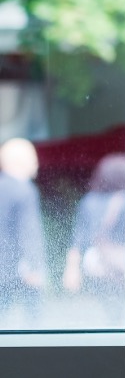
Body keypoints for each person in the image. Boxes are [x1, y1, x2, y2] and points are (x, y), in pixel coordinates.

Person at [61, 153, 125, 325]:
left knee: (107, 304)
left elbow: (78, 239)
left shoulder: (88, 201)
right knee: (124, 302)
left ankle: (112, 324)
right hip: (123, 262)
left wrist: (72, 269)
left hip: (96, 263)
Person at [0, 137, 47, 324]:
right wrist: (34, 267)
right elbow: (29, 232)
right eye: (33, 158)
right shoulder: (25, 190)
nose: (37, 163)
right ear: (18, 162)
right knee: (33, 326)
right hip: (17, 270)